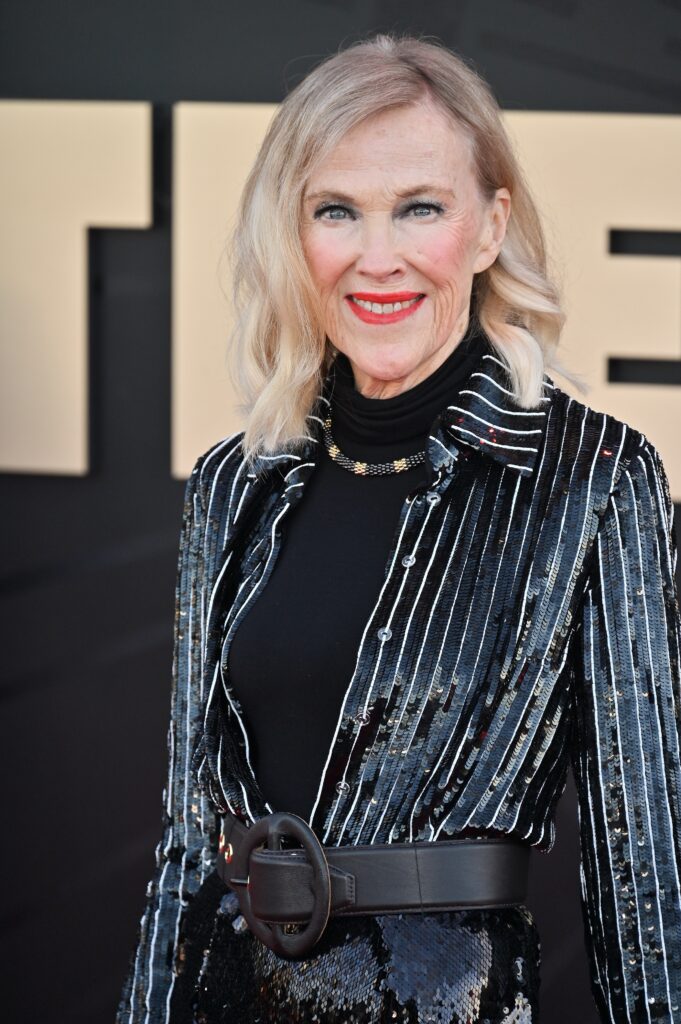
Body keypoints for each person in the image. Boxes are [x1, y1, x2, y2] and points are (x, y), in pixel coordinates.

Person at [116, 33, 681, 1024]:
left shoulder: (592, 480)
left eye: (420, 207)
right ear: (295, 233)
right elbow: (185, 850)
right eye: (337, 210)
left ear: (490, 225)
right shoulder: (232, 485)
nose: (378, 258)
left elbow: (644, 874)